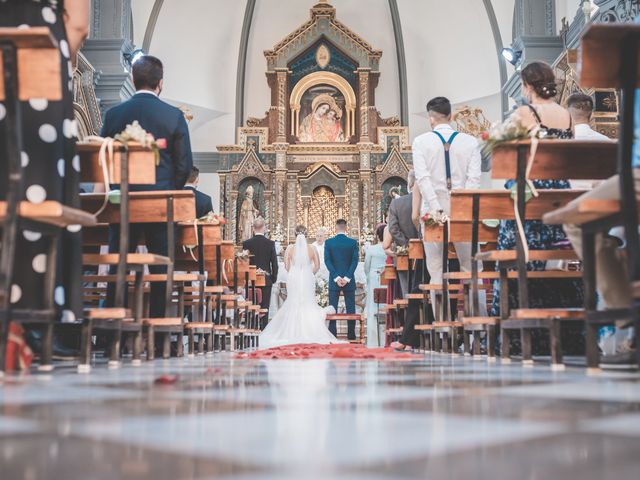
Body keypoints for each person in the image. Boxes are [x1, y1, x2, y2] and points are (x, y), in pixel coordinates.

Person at [0, 0, 90, 358]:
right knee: (38, 187)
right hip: (40, 54)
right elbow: (79, 23)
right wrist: (57, 63)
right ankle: (32, 317)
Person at [492, 61, 583, 354]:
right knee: (552, 258)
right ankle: (566, 335)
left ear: (528, 86)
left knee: (515, 256)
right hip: (559, 196)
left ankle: (520, 335)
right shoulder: (567, 116)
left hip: (530, 198)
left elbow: (502, 153)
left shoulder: (524, 113)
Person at [102, 54, 193, 317]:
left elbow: (103, 159)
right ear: (160, 83)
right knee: (161, 267)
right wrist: (167, 192)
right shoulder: (173, 116)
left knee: (118, 264)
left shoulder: (113, 115)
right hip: (160, 205)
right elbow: (184, 165)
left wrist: (117, 187)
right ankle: (159, 328)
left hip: (122, 205)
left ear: (133, 79)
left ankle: (110, 331)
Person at [413, 96, 486, 318]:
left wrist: (436, 209)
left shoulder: (421, 142)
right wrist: (461, 204)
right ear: (451, 117)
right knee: (472, 269)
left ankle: (443, 326)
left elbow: (423, 179)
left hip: (432, 211)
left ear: (430, 118)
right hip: (462, 208)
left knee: (436, 271)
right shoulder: (470, 142)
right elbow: (474, 180)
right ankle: (478, 326)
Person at [259, 226, 340, 349]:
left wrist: (294, 273)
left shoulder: (290, 248)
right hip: (308, 276)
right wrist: (308, 273)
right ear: (307, 235)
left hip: (294, 277)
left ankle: (291, 330)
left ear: (295, 234)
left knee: (293, 301)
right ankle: (310, 330)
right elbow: (317, 266)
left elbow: (286, 266)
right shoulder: (312, 248)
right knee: (307, 302)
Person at [324, 219, 359, 340]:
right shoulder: (353, 242)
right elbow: (354, 261)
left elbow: (327, 261)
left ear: (336, 228)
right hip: (349, 280)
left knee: (332, 307)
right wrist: (347, 277)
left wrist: (336, 277)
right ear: (346, 228)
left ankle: (332, 334)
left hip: (334, 280)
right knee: (351, 308)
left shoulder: (329, 242)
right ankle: (351, 335)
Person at [388, 170, 421, 296]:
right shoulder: (426, 201)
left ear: (409, 184)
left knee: (406, 291)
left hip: (404, 253)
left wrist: (407, 244)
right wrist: (419, 243)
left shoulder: (397, 203)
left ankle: (409, 314)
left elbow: (393, 229)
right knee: (426, 289)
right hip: (425, 250)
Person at [243, 217, 279, 322]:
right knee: (265, 307)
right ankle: (263, 330)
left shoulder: (247, 243)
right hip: (266, 279)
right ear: (264, 228)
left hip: (251, 279)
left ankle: (251, 328)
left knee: (251, 305)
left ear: (253, 228)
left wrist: (246, 278)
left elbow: (244, 263)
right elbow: (275, 264)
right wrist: (273, 278)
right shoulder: (270, 243)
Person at [364, 224, 388, 347]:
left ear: (377, 236)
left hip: (374, 278)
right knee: (386, 305)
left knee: (374, 306)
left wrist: (370, 277)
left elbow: (366, 267)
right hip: (388, 277)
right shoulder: (390, 249)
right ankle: (386, 338)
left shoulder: (372, 249)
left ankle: (373, 340)